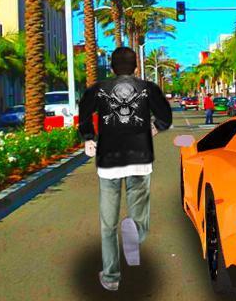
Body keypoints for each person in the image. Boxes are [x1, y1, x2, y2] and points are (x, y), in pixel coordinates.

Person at [78, 47, 173, 292]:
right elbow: (165, 116)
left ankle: (111, 277)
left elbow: (84, 114)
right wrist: (154, 128)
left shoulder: (98, 89)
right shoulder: (148, 88)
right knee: (139, 213)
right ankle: (136, 232)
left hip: (109, 162)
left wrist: (89, 138)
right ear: (136, 67)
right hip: (139, 160)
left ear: (111, 67)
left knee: (107, 224)